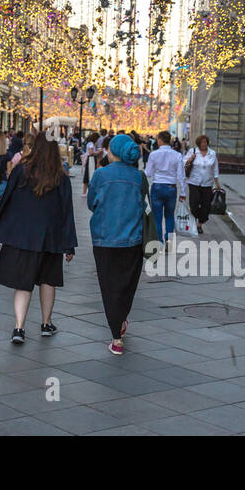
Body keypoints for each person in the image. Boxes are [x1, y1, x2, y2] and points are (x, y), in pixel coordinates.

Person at [0, 138, 77, 343]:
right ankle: (45, 324)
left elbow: (6, 198)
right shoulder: (61, 177)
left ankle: (19, 328)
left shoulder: (20, 171)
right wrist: (69, 244)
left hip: (23, 237)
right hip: (51, 238)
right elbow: (66, 212)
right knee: (48, 281)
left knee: (23, 284)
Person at [87, 134, 149, 355]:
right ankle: (120, 321)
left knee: (108, 286)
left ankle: (116, 337)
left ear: (112, 152)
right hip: (132, 240)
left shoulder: (101, 175)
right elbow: (144, 205)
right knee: (127, 285)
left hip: (104, 239)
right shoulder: (139, 177)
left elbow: (91, 203)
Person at [144, 130, 187, 247]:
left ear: (160, 140)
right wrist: (183, 191)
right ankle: (169, 242)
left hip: (157, 186)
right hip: (171, 188)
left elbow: (148, 173)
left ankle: (159, 243)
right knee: (169, 216)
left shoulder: (153, 154)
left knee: (157, 217)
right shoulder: (177, 155)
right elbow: (181, 175)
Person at [184, 134, 222, 235]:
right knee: (194, 204)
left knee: (206, 205)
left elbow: (215, 168)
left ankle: (200, 224)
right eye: (202, 142)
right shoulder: (193, 151)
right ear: (198, 143)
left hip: (207, 183)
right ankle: (194, 220)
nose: (204, 144)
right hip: (194, 182)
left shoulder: (212, 153)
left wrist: (217, 182)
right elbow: (184, 162)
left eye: (205, 142)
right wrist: (190, 159)